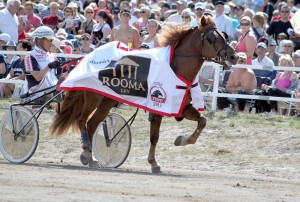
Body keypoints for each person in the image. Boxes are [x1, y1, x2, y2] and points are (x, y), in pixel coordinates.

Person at [24, 26, 61, 93]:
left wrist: (69, 73)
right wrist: (49, 67)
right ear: (38, 40)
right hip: (37, 92)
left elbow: (58, 77)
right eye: (48, 40)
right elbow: (37, 77)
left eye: (51, 40)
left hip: (53, 89)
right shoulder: (30, 55)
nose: (51, 43)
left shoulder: (53, 56)